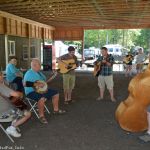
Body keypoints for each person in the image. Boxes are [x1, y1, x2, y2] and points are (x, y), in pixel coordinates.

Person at [23, 58, 65, 124]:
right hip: (31, 92)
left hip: (42, 90)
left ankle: (56, 110)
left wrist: (54, 76)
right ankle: (41, 116)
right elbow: (25, 84)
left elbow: (45, 83)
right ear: (34, 65)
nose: (40, 66)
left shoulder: (39, 73)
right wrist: (37, 84)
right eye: (39, 65)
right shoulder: (29, 73)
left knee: (56, 93)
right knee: (41, 98)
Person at [0, 71, 31, 138]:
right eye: (2, 75)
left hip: (5, 107)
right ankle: (12, 128)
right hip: (4, 112)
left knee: (18, 103)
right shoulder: (0, 85)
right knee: (27, 113)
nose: (3, 77)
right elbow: (16, 94)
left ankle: (15, 119)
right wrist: (21, 94)